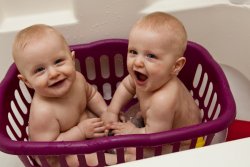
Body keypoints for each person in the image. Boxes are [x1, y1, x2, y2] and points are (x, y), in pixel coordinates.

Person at [12, 24, 130, 166]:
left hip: (84, 132)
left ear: (72, 60)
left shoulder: (77, 79)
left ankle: (121, 146)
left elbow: (91, 95)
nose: (53, 73)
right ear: (27, 81)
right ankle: (125, 161)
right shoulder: (43, 111)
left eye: (58, 61)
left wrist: (105, 112)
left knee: (108, 122)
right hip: (58, 156)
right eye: (40, 70)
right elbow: (48, 151)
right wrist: (81, 132)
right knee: (86, 158)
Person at [102, 12, 202, 157]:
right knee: (132, 114)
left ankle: (107, 158)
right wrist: (112, 111)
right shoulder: (151, 77)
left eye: (151, 56)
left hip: (182, 145)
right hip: (159, 123)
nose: (137, 62)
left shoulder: (163, 99)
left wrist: (132, 132)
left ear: (176, 66)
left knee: (132, 152)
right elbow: (126, 86)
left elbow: (155, 138)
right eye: (133, 52)